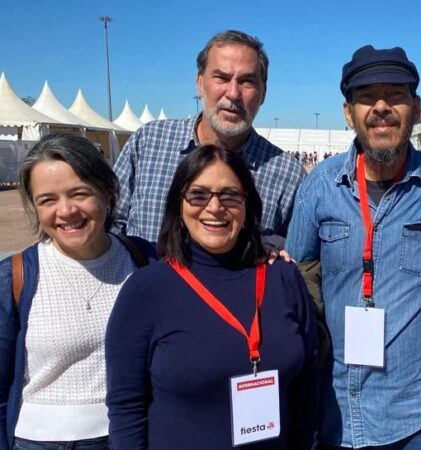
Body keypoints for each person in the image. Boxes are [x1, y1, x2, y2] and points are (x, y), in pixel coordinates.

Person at [285, 45, 421, 449]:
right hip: (337, 405)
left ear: (415, 106)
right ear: (349, 113)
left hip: (419, 413)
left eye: (395, 95)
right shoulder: (319, 187)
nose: (382, 106)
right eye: (366, 97)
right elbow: (295, 281)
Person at [105, 146, 319, 449]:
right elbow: (127, 408)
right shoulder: (146, 290)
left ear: (247, 206)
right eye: (199, 195)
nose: (215, 207)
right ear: (179, 204)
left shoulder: (283, 278)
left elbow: (307, 388)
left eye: (230, 195)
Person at [0, 134, 155, 450]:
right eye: (48, 200)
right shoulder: (14, 277)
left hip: (127, 436)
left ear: (108, 192)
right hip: (38, 442)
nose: (66, 210)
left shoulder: (146, 261)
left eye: (79, 193)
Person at [113, 30, 305, 247]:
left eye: (247, 82)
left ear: (263, 93)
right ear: (200, 82)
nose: (233, 93)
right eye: (221, 78)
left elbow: (292, 254)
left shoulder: (286, 174)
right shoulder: (148, 142)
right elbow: (110, 224)